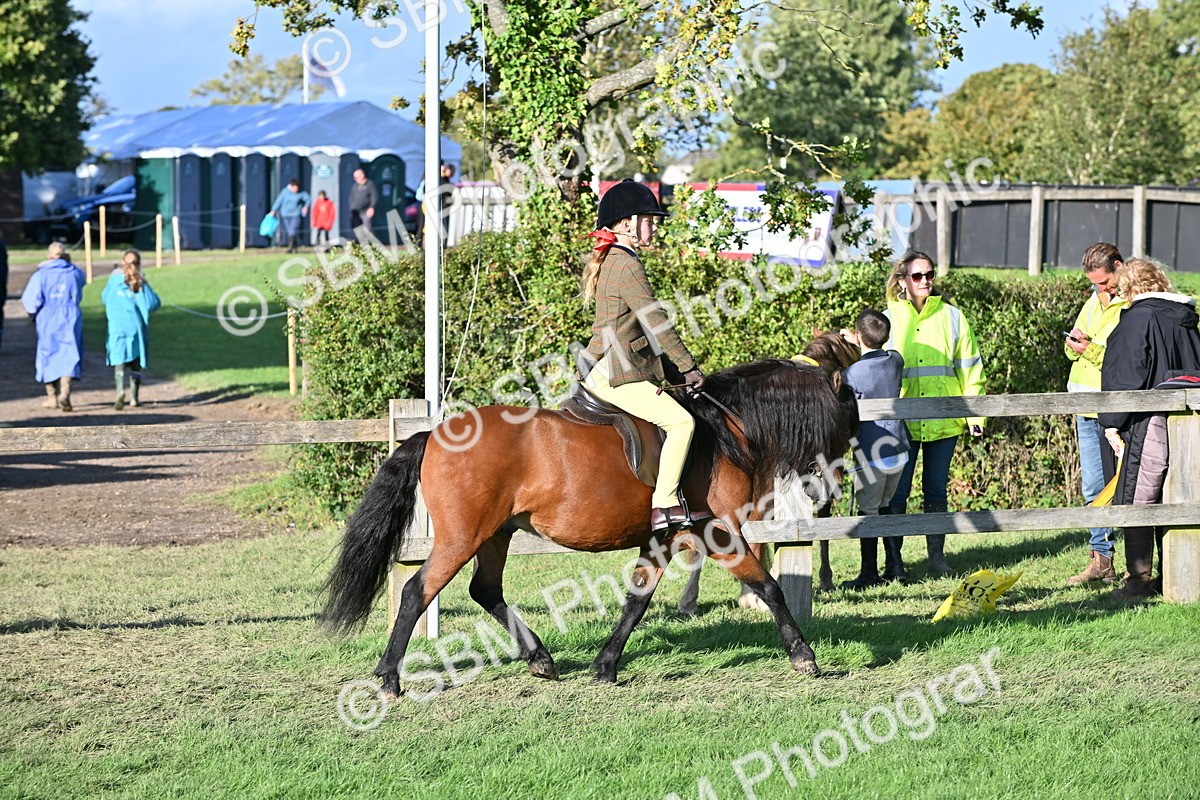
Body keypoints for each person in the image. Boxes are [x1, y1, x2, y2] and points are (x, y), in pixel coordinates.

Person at [581, 179, 708, 533]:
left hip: (610, 363)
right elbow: (657, 323)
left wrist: (671, 372)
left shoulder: (618, 259)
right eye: (649, 220)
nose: (654, 226)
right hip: (614, 370)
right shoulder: (626, 265)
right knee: (683, 423)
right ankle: (664, 504)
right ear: (626, 225)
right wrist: (689, 367)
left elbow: (638, 333)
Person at [1098, 258, 1200, 599]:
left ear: (1129, 290)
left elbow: (1124, 374)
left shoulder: (1138, 319)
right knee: (1179, 496)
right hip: (1188, 424)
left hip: (1148, 422)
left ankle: (1139, 581)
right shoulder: (1185, 319)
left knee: (1139, 497)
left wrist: (1112, 424)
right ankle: (1177, 575)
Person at [885, 250, 986, 576]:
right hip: (902, 423)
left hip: (945, 419)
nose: (925, 281)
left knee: (936, 490)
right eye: (917, 276)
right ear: (902, 281)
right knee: (897, 492)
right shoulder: (888, 318)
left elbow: (971, 369)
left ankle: (937, 558)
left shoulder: (953, 317)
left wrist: (976, 416)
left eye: (929, 274)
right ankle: (894, 562)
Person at [1064, 242, 1128, 585]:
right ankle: (1101, 559)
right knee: (1093, 487)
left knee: (1128, 485)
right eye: (1094, 284)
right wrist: (1074, 343)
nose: (1101, 289)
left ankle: (1137, 561)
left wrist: (1089, 350)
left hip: (1115, 409)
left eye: (1104, 282)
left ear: (1119, 266)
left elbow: (1122, 362)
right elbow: (1072, 349)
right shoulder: (1094, 299)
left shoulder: (1130, 302)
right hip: (1084, 406)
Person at [840, 309, 912, 588]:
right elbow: (881, 350)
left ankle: (868, 573)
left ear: (858, 336)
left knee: (868, 512)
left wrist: (854, 341)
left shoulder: (852, 373)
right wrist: (858, 338)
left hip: (871, 452)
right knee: (886, 507)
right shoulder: (896, 360)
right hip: (899, 448)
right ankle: (896, 565)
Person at [20, 242, 86, 412]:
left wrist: (33, 313)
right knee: (69, 354)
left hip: (48, 316)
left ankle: (52, 397)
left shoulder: (41, 274)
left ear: (49, 255)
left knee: (48, 354)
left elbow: (30, 300)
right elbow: (81, 284)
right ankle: (66, 394)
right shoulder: (74, 272)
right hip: (71, 315)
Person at [101, 249, 161, 410]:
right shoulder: (141, 283)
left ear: (122, 262)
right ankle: (134, 398)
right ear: (139, 264)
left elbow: (105, 298)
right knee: (136, 361)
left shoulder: (114, 281)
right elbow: (153, 303)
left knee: (119, 359)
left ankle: (120, 391)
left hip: (117, 327)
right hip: (136, 328)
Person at [270, 179, 310, 253]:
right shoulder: (285, 192)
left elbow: (308, 199)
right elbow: (279, 201)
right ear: (291, 186)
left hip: (296, 214)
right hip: (286, 215)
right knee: (290, 231)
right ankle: (294, 247)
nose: (296, 189)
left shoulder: (301, 193)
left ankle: (291, 247)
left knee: (292, 229)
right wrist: (273, 210)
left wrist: (306, 206)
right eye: (295, 187)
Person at [349, 168, 378, 232]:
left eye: (356, 177)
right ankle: (358, 241)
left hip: (365, 211)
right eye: (354, 177)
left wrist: (371, 208)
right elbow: (351, 197)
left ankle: (370, 241)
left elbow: (374, 196)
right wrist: (352, 208)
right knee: (356, 228)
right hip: (356, 212)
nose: (355, 179)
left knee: (367, 228)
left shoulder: (370, 184)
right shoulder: (355, 186)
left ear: (362, 175)